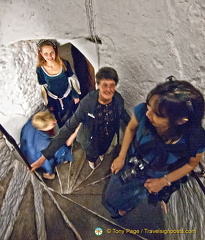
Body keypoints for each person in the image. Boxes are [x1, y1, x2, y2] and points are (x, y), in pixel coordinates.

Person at [105, 77, 205, 218]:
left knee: (138, 194)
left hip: (154, 176)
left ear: (180, 121)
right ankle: (114, 206)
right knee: (115, 189)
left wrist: (164, 181)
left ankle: (124, 208)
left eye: (157, 114)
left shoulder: (195, 141)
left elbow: (190, 164)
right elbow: (131, 129)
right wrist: (121, 156)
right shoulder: (142, 113)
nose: (147, 114)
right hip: (131, 161)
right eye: (148, 106)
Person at [30, 67, 130, 171]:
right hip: (91, 140)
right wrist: (44, 156)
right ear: (98, 85)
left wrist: (137, 125)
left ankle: (101, 155)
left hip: (108, 136)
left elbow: (122, 113)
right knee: (92, 155)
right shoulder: (87, 104)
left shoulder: (118, 100)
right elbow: (68, 128)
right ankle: (92, 164)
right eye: (105, 85)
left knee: (103, 150)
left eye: (112, 85)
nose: (108, 90)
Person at [20, 111, 79, 179]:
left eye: (53, 119)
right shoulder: (45, 145)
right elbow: (66, 143)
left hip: (27, 153)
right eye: (52, 124)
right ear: (42, 128)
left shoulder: (32, 122)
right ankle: (48, 174)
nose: (55, 121)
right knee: (56, 156)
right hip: (36, 159)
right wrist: (76, 131)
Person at [36, 39, 81, 128]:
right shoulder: (40, 69)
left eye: (51, 52)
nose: (49, 56)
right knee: (59, 119)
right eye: (46, 54)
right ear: (41, 54)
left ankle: (75, 133)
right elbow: (43, 87)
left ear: (55, 51)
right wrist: (48, 103)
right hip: (54, 100)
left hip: (67, 96)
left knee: (72, 115)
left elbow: (72, 80)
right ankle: (64, 136)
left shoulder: (64, 64)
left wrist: (75, 95)